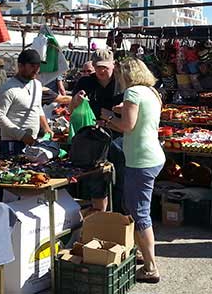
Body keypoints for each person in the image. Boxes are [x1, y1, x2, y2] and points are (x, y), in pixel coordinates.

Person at [101, 58, 165, 283]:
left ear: (125, 75)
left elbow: (127, 126)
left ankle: (151, 268)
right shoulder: (151, 92)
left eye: (119, 75)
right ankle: (141, 252)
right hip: (152, 156)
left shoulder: (133, 93)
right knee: (134, 207)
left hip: (141, 160)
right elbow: (141, 119)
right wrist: (122, 109)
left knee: (139, 213)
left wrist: (108, 117)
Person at [70, 49, 124, 212]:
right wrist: (76, 101)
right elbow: (71, 109)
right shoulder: (85, 82)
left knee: (120, 177)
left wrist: (118, 112)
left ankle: (119, 215)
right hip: (93, 136)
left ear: (113, 65)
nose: (101, 71)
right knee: (96, 179)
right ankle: (100, 217)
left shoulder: (122, 82)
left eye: (105, 67)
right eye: (98, 67)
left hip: (118, 134)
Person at [0, 49, 52, 154]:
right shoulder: (8, 88)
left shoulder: (37, 85)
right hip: (12, 142)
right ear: (21, 66)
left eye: (38, 66)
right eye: (32, 66)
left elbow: (37, 107)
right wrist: (21, 135)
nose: (36, 70)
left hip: (32, 140)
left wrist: (46, 127)